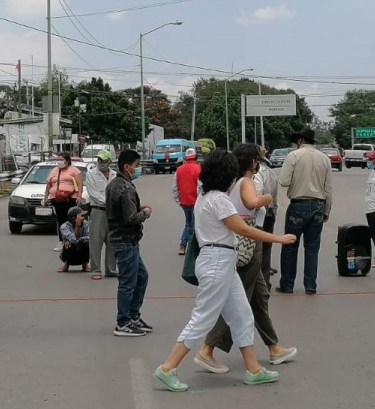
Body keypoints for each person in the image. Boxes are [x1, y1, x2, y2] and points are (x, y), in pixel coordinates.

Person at [153, 149, 297, 392]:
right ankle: (168, 368)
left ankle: (253, 370)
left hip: (221, 260)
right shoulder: (218, 200)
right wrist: (279, 239)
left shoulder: (206, 196)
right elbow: (243, 229)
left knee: (242, 315)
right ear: (227, 176)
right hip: (218, 260)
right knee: (203, 318)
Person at [193, 144, 297, 375]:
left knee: (259, 297)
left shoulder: (227, 186)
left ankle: (274, 347)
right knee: (239, 304)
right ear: (252, 162)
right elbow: (251, 206)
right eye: (258, 158)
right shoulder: (246, 183)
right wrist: (267, 198)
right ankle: (207, 349)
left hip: (239, 245)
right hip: (248, 244)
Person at [277, 128, 333, 295]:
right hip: (318, 206)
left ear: (300, 140)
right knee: (312, 248)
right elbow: (328, 188)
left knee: (290, 246)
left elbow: (283, 181)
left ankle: (287, 284)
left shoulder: (293, 156)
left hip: (298, 205)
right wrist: (327, 210)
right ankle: (310, 286)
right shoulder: (324, 159)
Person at [106, 150, 152, 337]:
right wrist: (146, 213)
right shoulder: (125, 188)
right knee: (127, 282)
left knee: (141, 277)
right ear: (127, 167)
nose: (138, 168)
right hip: (125, 241)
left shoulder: (115, 184)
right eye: (136, 165)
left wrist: (137, 208)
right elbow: (131, 218)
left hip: (125, 240)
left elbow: (121, 210)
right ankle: (123, 321)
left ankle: (133, 315)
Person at [85, 149, 117, 279]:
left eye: (103, 160)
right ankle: (96, 270)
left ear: (109, 161)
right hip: (98, 210)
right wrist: (109, 203)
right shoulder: (91, 174)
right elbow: (93, 194)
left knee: (112, 241)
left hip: (113, 213)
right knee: (96, 241)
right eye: (99, 159)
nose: (100, 162)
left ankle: (111, 269)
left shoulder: (115, 175)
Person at [44, 153, 83, 253]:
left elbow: (79, 184)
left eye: (62, 159)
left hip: (70, 198)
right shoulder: (54, 170)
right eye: (58, 159)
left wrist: (79, 196)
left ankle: (73, 240)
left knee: (71, 220)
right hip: (57, 199)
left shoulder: (74, 170)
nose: (59, 161)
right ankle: (62, 241)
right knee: (60, 220)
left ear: (67, 160)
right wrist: (46, 197)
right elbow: (48, 185)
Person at [254, 146, 279, 289]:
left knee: (255, 249)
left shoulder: (256, 174)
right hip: (269, 213)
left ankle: (257, 282)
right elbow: (274, 197)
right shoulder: (271, 173)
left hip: (257, 214)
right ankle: (265, 281)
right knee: (266, 249)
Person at [172, 148, 201, 256]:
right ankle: (190, 246)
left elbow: (174, 188)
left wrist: (178, 201)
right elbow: (200, 187)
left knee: (189, 223)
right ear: (196, 157)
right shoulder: (198, 169)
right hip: (196, 202)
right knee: (193, 224)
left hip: (184, 202)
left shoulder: (179, 170)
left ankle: (183, 245)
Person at [58, 206, 91, 272]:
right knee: (68, 244)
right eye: (80, 216)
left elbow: (89, 236)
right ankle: (66, 264)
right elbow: (74, 240)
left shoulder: (85, 223)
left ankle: (85, 265)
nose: (83, 217)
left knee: (86, 243)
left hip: (81, 249)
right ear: (74, 217)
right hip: (70, 252)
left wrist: (77, 240)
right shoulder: (64, 226)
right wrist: (77, 226)